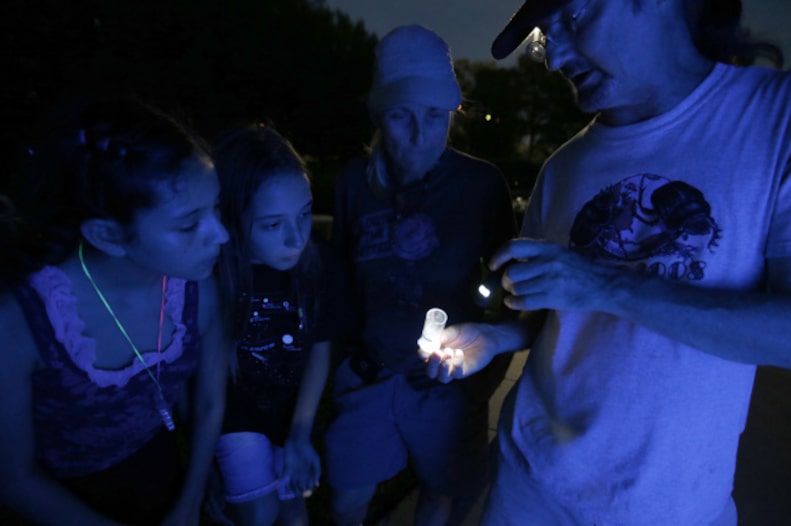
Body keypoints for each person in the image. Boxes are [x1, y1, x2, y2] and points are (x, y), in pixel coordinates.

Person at [425, 0, 791, 525]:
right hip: (527, 486)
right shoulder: (564, 166)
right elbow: (548, 315)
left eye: (572, 19)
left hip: (673, 508)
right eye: (547, 38)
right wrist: (498, 338)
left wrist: (604, 285)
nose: (553, 58)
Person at [0, 97, 230, 525]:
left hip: (158, 470)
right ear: (108, 235)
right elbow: (14, 479)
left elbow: (210, 401)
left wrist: (189, 501)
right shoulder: (23, 323)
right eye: (188, 224)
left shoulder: (195, 288)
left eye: (215, 209)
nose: (221, 234)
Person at [324, 24, 518, 526]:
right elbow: (339, 279)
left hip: (446, 388)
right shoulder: (353, 184)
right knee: (345, 499)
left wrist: (481, 381)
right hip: (369, 376)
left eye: (435, 117)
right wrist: (343, 364)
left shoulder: (480, 186)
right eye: (400, 116)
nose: (419, 135)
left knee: (442, 498)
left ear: (453, 113)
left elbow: (508, 292)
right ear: (378, 116)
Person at [212, 122, 352, 526]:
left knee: (295, 516)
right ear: (234, 219)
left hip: (286, 413)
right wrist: (205, 469)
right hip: (231, 415)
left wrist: (299, 432)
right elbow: (199, 382)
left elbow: (320, 348)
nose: (296, 239)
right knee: (259, 515)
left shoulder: (319, 266)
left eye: (305, 214)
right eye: (272, 225)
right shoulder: (214, 278)